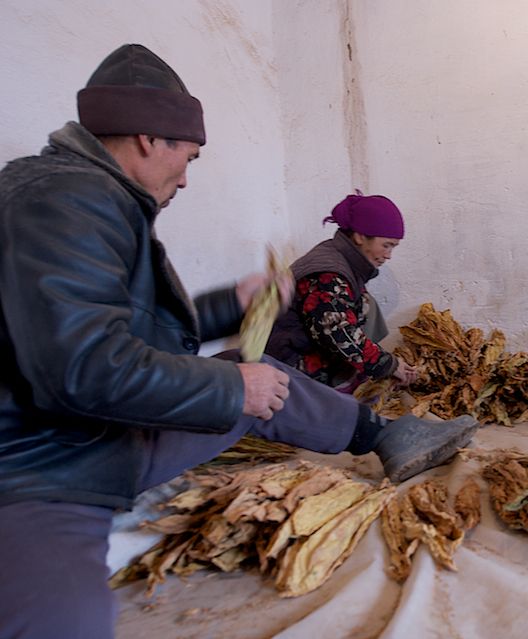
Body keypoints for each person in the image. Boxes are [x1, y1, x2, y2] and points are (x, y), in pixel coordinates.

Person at [0, 44, 478, 638]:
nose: (186, 177)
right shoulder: (65, 203)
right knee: (64, 621)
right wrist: (232, 389)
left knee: (257, 377)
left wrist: (232, 305)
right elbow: (83, 369)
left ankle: (385, 435)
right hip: (43, 466)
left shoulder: (92, 199)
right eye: (189, 157)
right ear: (149, 139)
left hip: (98, 433)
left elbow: (130, 334)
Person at [265, 193, 419, 392]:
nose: (388, 255)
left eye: (393, 247)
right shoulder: (327, 274)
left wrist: (383, 364)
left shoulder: (342, 259)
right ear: (360, 236)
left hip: (307, 352)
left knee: (367, 304)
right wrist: (388, 365)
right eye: (386, 245)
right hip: (287, 368)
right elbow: (338, 333)